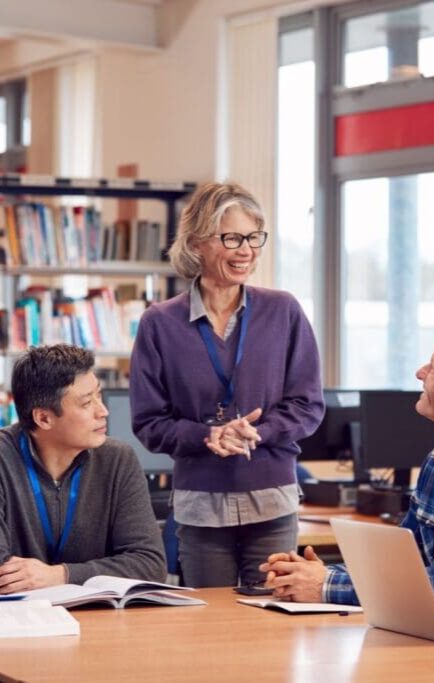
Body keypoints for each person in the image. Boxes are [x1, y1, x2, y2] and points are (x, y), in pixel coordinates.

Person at [262, 316, 434, 606]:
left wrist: (325, 585)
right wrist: (315, 574)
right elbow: (405, 565)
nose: (419, 373)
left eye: (433, 368)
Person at [129, 181, 324, 588]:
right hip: (201, 504)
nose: (246, 251)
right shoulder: (159, 323)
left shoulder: (283, 310)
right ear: (198, 241)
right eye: (232, 238)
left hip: (271, 498)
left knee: (272, 622)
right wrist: (209, 435)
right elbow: (149, 422)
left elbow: (307, 404)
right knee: (211, 627)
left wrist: (257, 431)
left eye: (254, 238)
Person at [0, 344, 165, 595]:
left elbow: (150, 565)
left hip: (99, 619)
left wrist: (61, 575)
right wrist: (98, 574)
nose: (103, 411)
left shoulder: (117, 459)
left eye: (99, 396)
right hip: (18, 622)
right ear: (44, 418)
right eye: (87, 403)